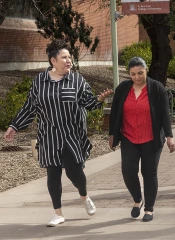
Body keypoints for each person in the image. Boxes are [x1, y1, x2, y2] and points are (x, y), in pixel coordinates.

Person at [3, 39, 113, 227]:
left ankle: (84, 196)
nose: (68, 60)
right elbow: (30, 106)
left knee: (74, 173)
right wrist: (14, 126)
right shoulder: (40, 81)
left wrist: (99, 99)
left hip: (72, 135)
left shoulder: (77, 80)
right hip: (49, 136)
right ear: (53, 61)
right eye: (64, 57)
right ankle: (58, 213)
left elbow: (89, 102)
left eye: (69, 57)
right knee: (52, 174)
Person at [108, 57, 175, 222]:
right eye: (133, 74)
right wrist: (112, 135)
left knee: (149, 173)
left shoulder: (157, 88)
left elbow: (165, 114)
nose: (137, 77)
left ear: (146, 71)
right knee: (128, 171)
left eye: (140, 73)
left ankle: (149, 209)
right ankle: (138, 199)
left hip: (151, 138)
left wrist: (169, 137)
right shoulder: (123, 88)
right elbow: (115, 112)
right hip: (129, 137)